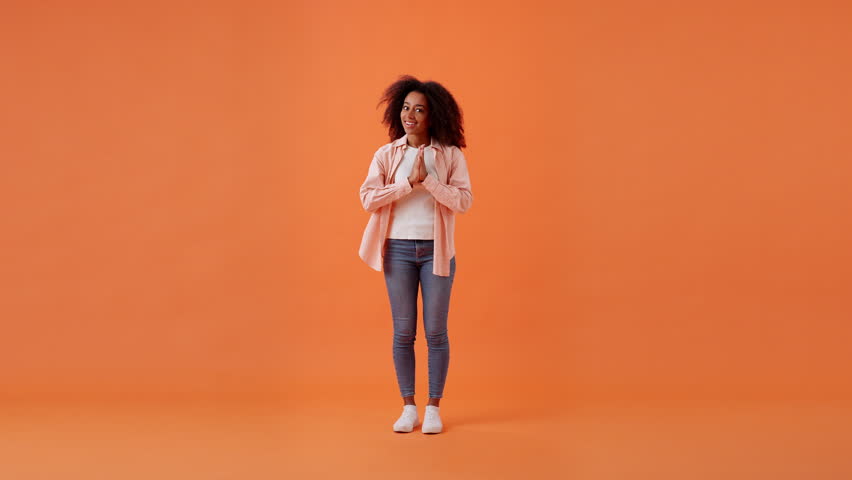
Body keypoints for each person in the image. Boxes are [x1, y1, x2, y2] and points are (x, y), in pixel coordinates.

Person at [358, 75, 473, 434]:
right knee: (403, 331)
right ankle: (408, 407)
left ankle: (433, 408)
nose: (411, 115)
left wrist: (430, 181)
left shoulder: (450, 155)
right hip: (398, 250)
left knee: (436, 332)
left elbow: (464, 202)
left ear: (433, 115)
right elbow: (367, 198)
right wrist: (408, 183)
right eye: (406, 108)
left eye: (419, 109)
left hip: (437, 252)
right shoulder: (387, 154)